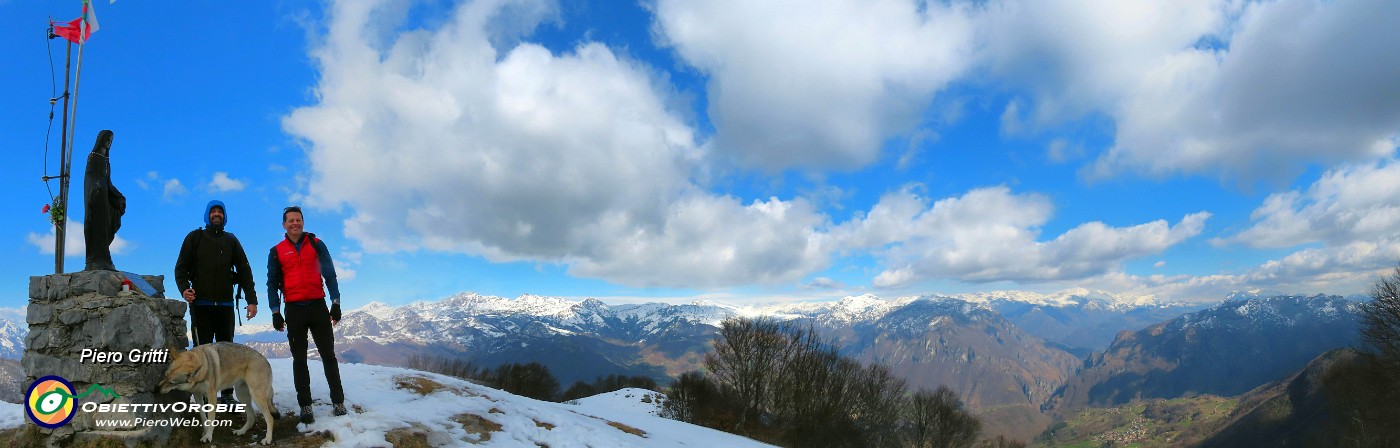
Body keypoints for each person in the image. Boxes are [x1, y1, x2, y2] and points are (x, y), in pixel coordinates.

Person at [266, 206, 346, 424]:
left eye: (298, 220)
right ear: (284, 224)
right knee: (299, 359)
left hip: (318, 307)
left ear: (303, 222)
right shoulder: (276, 251)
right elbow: (272, 283)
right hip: (293, 310)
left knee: (328, 355)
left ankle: (338, 401)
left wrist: (335, 302)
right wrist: (275, 311)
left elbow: (329, 274)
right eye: (290, 220)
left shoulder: (316, 244)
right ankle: (306, 406)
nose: (295, 223)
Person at [174, 200, 258, 405]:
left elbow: (245, 271)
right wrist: (184, 288)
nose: (217, 214)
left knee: (226, 351)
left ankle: (227, 395)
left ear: (224, 216)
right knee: (201, 350)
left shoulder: (232, 241)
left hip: (225, 306)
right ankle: (202, 393)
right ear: (207, 215)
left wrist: (252, 300)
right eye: (213, 211)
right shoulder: (195, 238)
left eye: (220, 211)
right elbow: (181, 268)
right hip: (201, 305)